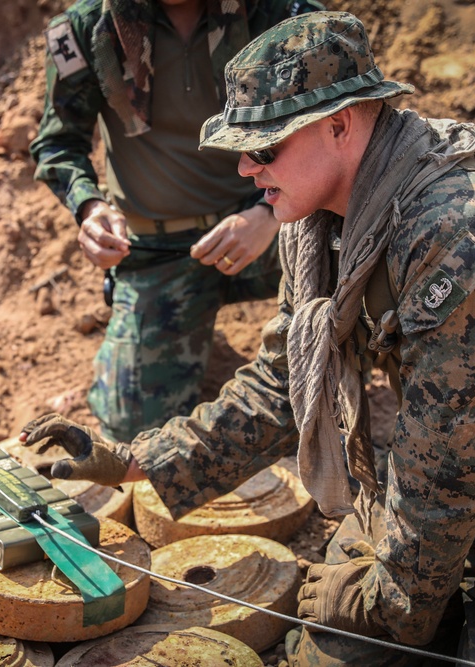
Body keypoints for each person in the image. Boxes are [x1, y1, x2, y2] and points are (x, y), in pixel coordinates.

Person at [21, 11, 475, 665]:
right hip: (449, 477)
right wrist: (136, 460)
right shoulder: (324, 220)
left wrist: (394, 604)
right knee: (331, 645)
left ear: (341, 123)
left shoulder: (454, 230)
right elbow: (281, 382)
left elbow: (451, 465)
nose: (245, 168)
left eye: (265, 147)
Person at [30, 0, 323, 441]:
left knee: (363, 249)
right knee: (135, 434)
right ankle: (171, 322)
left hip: (276, 223)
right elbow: (59, 144)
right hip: (164, 253)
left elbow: (333, 136)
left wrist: (269, 214)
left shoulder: (282, 13)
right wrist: (90, 208)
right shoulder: (88, 29)